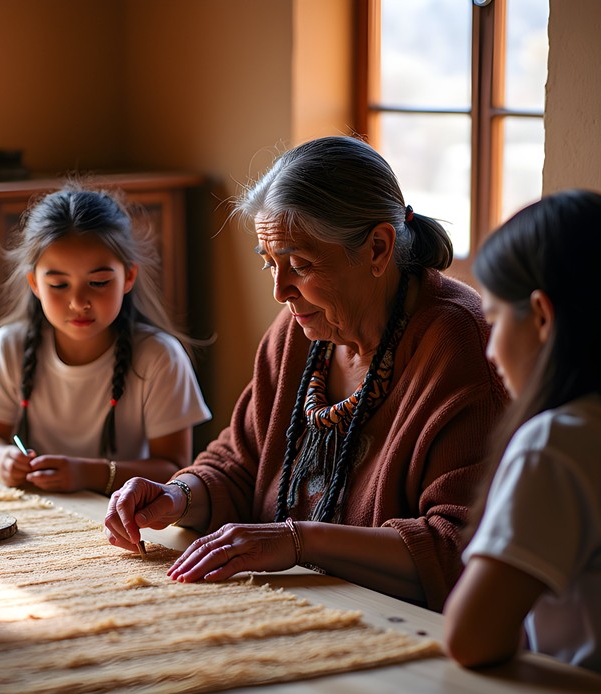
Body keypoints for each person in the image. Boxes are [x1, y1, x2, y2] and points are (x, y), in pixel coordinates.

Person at [106, 135, 507, 611]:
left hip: (395, 632)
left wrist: (298, 542)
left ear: (379, 248)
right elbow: (239, 461)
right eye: (269, 264)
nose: (280, 290)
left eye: (299, 264)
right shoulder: (303, 330)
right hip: (284, 609)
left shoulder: (459, 343)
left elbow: (457, 548)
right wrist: (177, 496)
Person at [443, 189, 601, 694]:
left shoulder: (558, 443)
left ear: (542, 315)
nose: (491, 350)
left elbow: (470, 639)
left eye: (493, 318)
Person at [0, 182, 211, 495]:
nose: (78, 302)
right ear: (34, 284)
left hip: (123, 514)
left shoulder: (159, 356)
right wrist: (3, 459)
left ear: (128, 277)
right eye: (58, 285)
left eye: (98, 282)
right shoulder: (9, 346)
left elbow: (173, 468)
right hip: (43, 512)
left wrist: (88, 474)